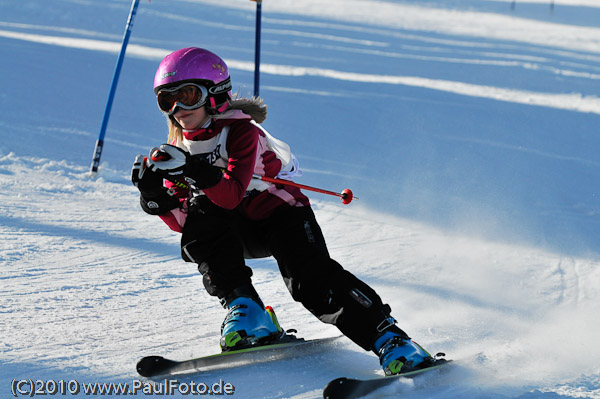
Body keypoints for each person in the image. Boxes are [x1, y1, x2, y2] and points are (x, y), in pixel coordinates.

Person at [131, 47, 434, 375]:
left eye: (188, 95)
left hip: (282, 216)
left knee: (310, 283)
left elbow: (232, 193)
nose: (178, 109)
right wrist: (154, 196)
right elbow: (187, 226)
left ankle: (390, 339)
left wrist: (193, 169)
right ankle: (247, 309)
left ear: (215, 94)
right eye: (167, 100)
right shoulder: (180, 150)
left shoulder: (240, 131)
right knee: (202, 217)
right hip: (239, 227)